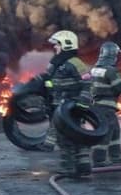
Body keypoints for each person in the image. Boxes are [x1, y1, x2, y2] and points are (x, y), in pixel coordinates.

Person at [24, 30, 93, 177]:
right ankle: (81, 166)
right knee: (71, 135)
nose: (55, 47)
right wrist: (36, 82)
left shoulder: (76, 63)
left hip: (72, 106)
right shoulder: (55, 63)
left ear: (66, 45)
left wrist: (83, 102)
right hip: (58, 105)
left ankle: (71, 167)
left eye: (57, 44)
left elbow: (87, 82)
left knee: (69, 136)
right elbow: (48, 78)